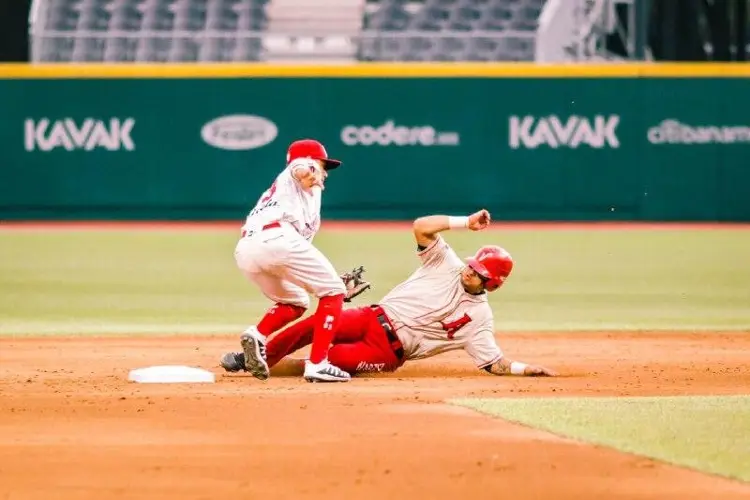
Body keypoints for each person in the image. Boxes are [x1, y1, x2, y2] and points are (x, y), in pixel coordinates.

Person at [221, 209, 557, 379]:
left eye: (479, 273)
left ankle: (280, 367)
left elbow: (494, 363)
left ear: (492, 284)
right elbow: (421, 226)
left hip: (386, 351)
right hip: (371, 316)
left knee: (330, 361)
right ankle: (252, 359)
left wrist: (524, 369)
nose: (470, 270)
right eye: (473, 265)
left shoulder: (480, 320)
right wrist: (464, 222)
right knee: (316, 325)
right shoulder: (447, 262)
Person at [231, 139, 352, 383]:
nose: (325, 172)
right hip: (276, 238)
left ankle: (257, 334)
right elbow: (298, 166)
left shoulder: (305, 199)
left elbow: (296, 254)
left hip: (249, 249)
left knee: (296, 300)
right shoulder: (295, 174)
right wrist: (309, 170)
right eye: (322, 165)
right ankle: (318, 364)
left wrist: (328, 283)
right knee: (333, 292)